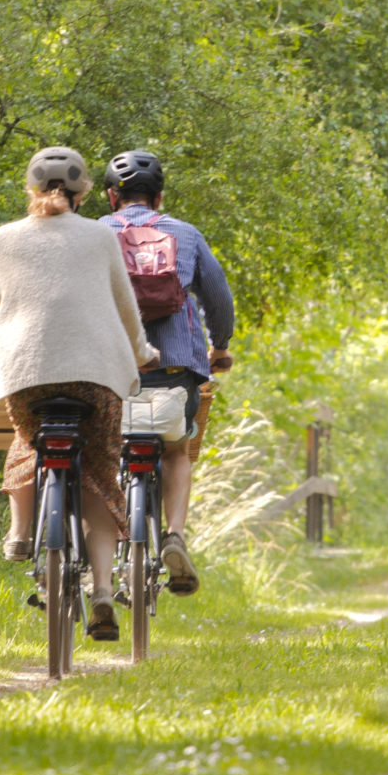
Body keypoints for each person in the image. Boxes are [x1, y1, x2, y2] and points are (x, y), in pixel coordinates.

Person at [0, 146, 156, 643]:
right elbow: (124, 303)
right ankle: (104, 594)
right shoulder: (99, 235)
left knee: (26, 441)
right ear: (85, 191)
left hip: (27, 373)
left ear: (30, 190)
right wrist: (142, 352)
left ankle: (21, 534)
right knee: (97, 469)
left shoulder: (6, 237)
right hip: (96, 375)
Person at [101, 149, 233, 597]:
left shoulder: (95, 234)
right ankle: (174, 534)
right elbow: (218, 297)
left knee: (106, 451)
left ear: (110, 196)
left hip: (112, 369)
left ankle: (113, 545)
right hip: (176, 369)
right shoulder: (185, 233)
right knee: (178, 450)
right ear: (159, 198)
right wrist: (221, 346)